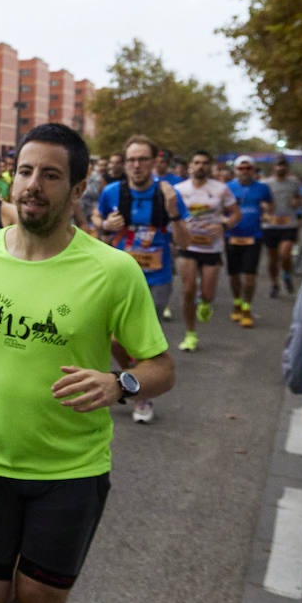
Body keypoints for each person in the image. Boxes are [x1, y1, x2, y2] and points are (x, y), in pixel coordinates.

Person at [0, 123, 175, 603]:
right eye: (24, 171)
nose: (32, 185)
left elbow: (160, 369)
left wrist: (120, 385)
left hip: (71, 472)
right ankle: (25, 571)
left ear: (78, 187)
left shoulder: (113, 271)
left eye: (50, 175)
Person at [95, 135, 189, 422]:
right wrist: (105, 225)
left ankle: (142, 394)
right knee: (113, 341)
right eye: (131, 160)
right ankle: (139, 384)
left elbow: (184, 241)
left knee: (145, 343)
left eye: (142, 159)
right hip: (120, 276)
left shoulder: (168, 194)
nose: (136, 165)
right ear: (124, 163)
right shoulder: (112, 192)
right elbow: (96, 224)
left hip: (157, 278)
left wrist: (173, 213)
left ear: (153, 162)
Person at [173, 150, 240, 352]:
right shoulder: (179, 189)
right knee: (187, 290)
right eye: (196, 162)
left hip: (212, 247)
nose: (200, 166)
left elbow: (236, 213)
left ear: (209, 166)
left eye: (204, 163)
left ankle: (205, 302)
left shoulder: (221, 189)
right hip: (188, 245)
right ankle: (190, 334)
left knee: (208, 294)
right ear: (190, 165)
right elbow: (170, 215)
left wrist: (225, 225)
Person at [226, 155, 274, 327]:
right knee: (234, 276)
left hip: (253, 236)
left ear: (253, 170)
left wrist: (267, 212)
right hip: (232, 236)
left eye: (248, 168)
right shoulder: (227, 188)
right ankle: (237, 302)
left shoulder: (262, 188)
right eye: (241, 168)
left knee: (249, 276)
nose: (245, 171)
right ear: (235, 171)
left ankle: (247, 308)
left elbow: (270, 205)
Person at [263, 155, 302, 297]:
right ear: (273, 167)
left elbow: (300, 199)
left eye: (284, 165)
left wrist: (297, 202)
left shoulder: (294, 183)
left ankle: (286, 274)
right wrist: (265, 210)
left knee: (285, 254)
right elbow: (261, 202)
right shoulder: (266, 184)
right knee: (273, 259)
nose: (281, 167)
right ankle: (274, 283)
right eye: (278, 165)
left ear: (287, 167)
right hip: (270, 225)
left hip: (288, 224)